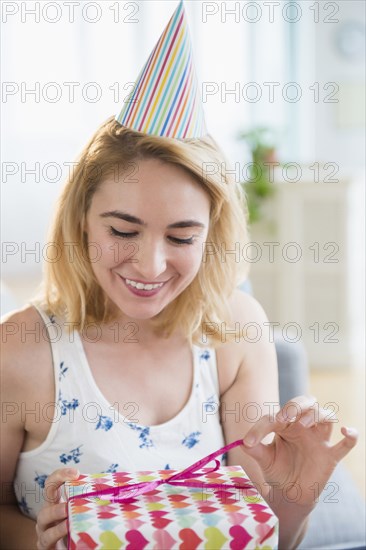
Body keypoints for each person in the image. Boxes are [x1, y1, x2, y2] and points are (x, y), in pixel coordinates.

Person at [0, 3, 358, 549]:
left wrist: (296, 494)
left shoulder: (238, 329)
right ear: (80, 220)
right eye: (123, 231)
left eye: (183, 237)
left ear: (211, 236)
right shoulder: (21, 350)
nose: (150, 266)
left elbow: (269, 537)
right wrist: (39, 540)